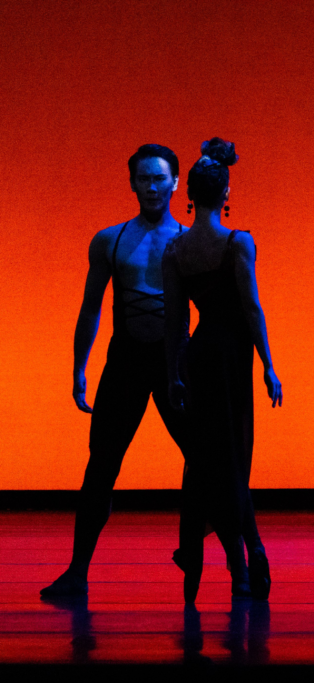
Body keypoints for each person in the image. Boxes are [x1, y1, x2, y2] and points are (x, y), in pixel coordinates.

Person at [41, 145, 195, 598]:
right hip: (125, 361)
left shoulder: (189, 241)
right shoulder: (110, 240)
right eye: (143, 178)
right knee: (101, 466)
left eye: (159, 178)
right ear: (132, 183)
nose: (151, 187)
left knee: (206, 459)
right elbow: (90, 307)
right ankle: (77, 571)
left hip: (174, 363)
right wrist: (79, 367)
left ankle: (238, 566)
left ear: (175, 183)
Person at [163, 138, 282, 602]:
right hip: (231, 358)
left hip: (199, 357)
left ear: (190, 195)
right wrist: (269, 365)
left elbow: (176, 322)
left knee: (209, 461)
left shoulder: (175, 250)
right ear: (226, 193)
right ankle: (250, 554)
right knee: (232, 460)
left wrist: (174, 374)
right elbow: (251, 308)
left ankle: (233, 560)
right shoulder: (238, 243)